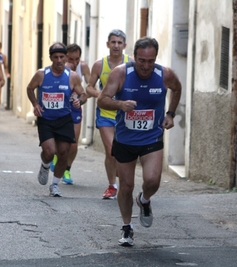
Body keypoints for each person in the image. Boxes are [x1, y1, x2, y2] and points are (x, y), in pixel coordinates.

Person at [97, 37, 182, 246]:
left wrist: (170, 114)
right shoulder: (121, 73)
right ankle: (127, 228)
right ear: (134, 57)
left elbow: (177, 89)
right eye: (141, 61)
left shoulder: (165, 74)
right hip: (125, 139)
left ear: (155, 59)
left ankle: (144, 200)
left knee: (152, 181)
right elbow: (102, 99)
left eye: (150, 61)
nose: (145, 66)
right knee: (126, 186)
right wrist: (120, 104)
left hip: (151, 137)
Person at [26, 42, 87, 197]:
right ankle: (45, 166)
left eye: (62, 57)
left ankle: (54, 185)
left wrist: (79, 101)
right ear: (51, 58)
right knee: (49, 151)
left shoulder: (72, 76)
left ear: (65, 57)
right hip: (46, 119)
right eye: (56, 57)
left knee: (64, 153)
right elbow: (29, 88)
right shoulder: (42, 74)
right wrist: (35, 103)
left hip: (64, 119)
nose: (59, 60)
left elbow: (83, 94)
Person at [86, 29, 133, 199]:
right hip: (106, 112)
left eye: (119, 42)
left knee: (124, 152)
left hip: (125, 113)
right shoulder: (100, 64)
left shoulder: (131, 63)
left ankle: (123, 178)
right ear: (107, 44)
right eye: (113, 42)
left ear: (125, 46)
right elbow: (89, 86)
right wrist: (101, 95)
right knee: (111, 150)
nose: (116, 45)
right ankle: (112, 186)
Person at [50, 43, 91, 185]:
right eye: (71, 59)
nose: (74, 62)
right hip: (59, 107)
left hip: (74, 108)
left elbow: (89, 88)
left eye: (77, 59)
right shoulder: (59, 68)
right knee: (58, 140)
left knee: (73, 143)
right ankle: (56, 157)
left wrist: (81, 100)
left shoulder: (83, 67)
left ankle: (67, 168)